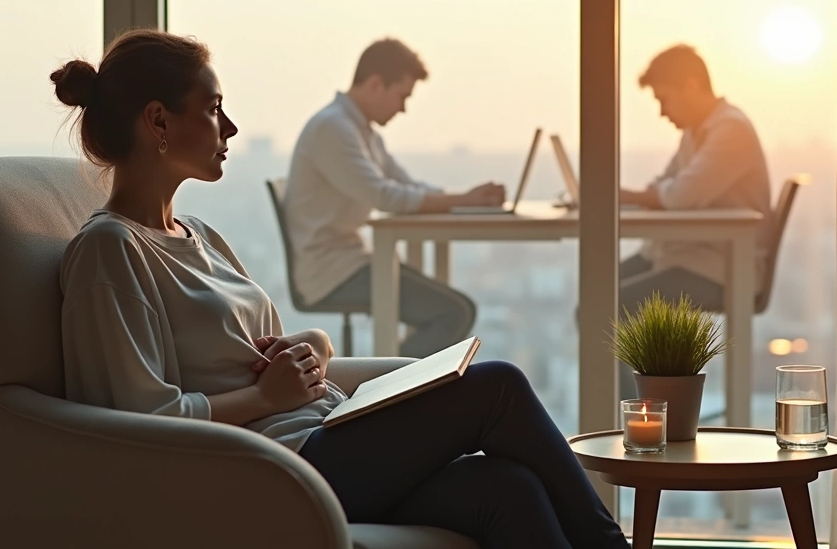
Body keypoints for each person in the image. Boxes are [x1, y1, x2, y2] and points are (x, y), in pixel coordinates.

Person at [52, 29, 630, 549]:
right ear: (158, 122)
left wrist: (312, 349)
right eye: (213, 109)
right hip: (271, 470)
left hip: (321, 435)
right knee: (498, 385)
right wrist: (264, 400)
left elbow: (260, 355)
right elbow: (139, 421)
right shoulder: (111, 251)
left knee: (508, 488)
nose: (230, 128)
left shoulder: (198, 235)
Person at [284, 38, 504, 358]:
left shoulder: (361, 131)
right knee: (455, 312)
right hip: (332, 272)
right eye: (402, 96)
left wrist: (466, 199)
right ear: (375, 84)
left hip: (352, 262)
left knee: (454, 309)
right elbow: (385, 195)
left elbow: (406, 185)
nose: (403, 108)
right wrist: (462, 199)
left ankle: (396, 388)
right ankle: (387, 391)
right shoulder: (333, 128)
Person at [615, 44, 773, 399]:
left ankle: (632, 418)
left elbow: (679, 194)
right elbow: (666, 187)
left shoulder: (731, 130)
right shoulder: (696, 132)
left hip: (721, 269)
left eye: (664, 99)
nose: (661, 112)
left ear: (690, 86)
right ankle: (634, 413)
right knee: (593, 298)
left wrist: (622, 195)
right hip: (683, 258)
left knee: (609, 309)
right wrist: (645, 195)